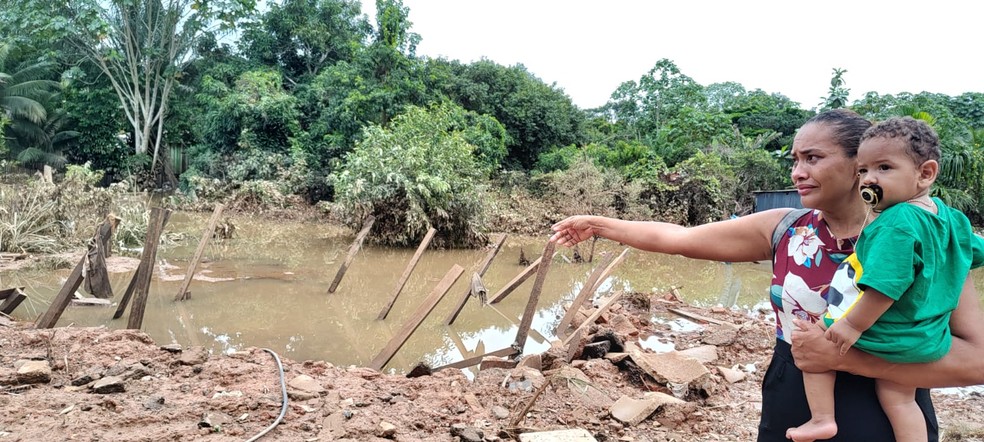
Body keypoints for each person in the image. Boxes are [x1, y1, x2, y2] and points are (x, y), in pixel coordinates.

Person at [550, 108, 984, 441]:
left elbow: (976, 362)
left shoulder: (930, 239)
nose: (798, 172)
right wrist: (603, 226)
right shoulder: (785, 228)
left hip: (888, 403)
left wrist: (842, 358)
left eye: (813, 158)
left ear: (860, 164)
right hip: (795, 393)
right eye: (795, 159)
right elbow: (681, 238)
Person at [787, 117, 984, 441]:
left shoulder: (897, 221)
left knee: (812, 344)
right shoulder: (952, 219)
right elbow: (973, 253)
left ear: (925, 173)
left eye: (884, 168)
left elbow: (884, 286)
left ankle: (822, 418)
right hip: (927, 339)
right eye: (863, 171)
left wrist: (851, 326)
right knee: (901, 399)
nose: (869, 179)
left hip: (887, 334)